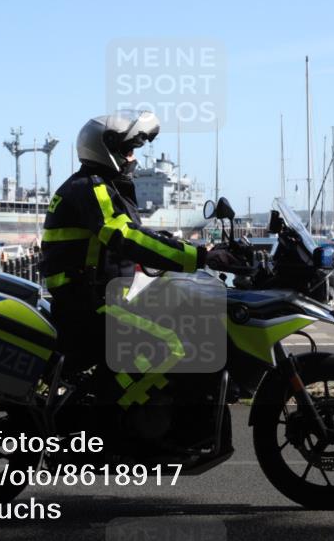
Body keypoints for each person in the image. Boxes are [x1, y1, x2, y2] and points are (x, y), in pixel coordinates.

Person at [39, 110, 242, 371]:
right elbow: (126, 237)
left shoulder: (97, 186)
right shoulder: (93, 188)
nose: (133, 158)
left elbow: (131, 235)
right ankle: (115, 409)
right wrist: (201, 258)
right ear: (108, 150)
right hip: (84, 304)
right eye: (129, 150)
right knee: (170, 342)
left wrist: (195, 248)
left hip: (95, 296)